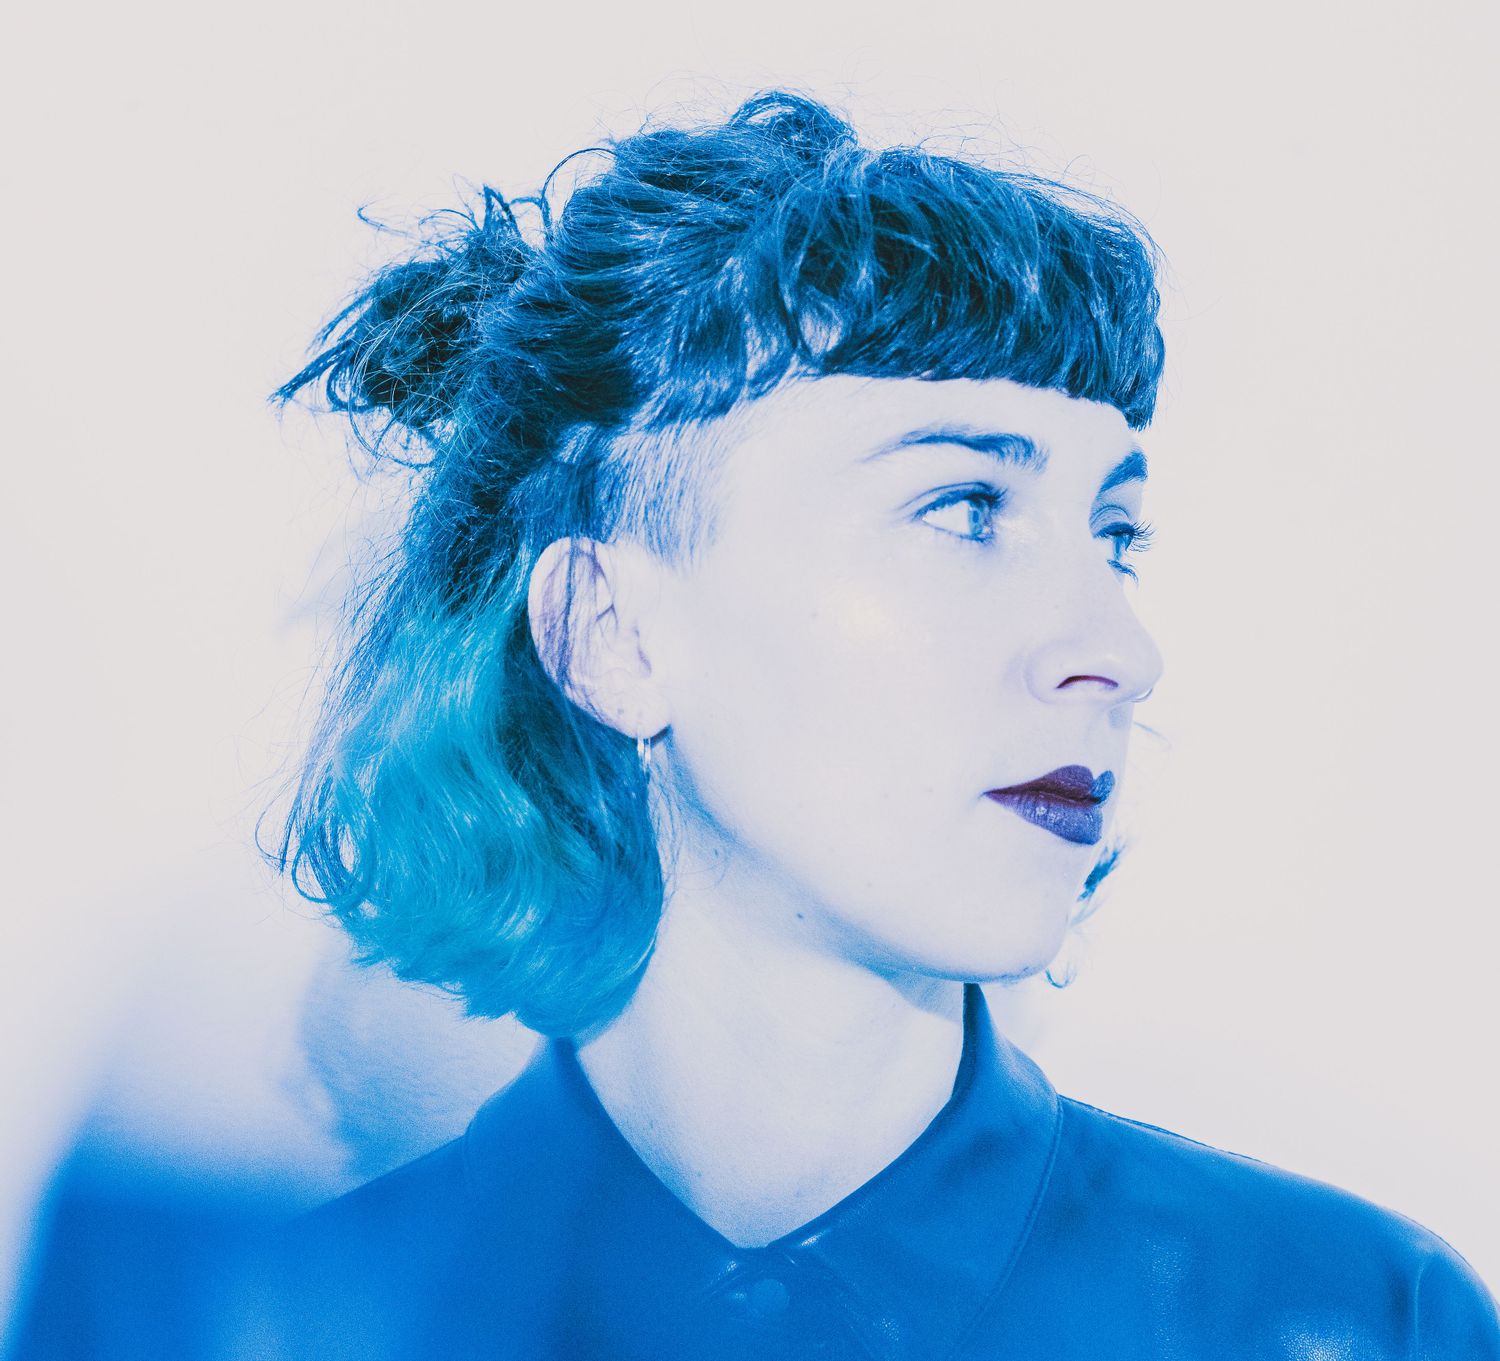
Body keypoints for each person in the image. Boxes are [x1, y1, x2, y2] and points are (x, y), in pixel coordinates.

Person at [240, 90, 1500, 1359]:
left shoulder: (1360, 1323)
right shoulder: (273, 1329)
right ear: (608, 633)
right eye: (965, 508)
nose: (1122, 652)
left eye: (1115, 535)